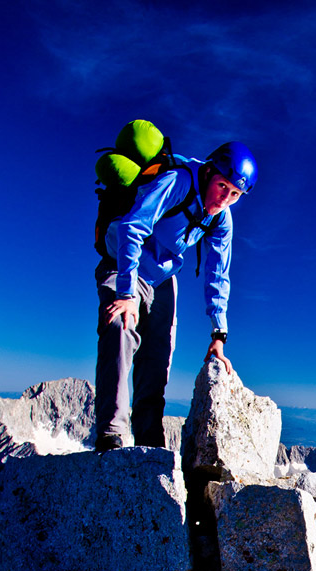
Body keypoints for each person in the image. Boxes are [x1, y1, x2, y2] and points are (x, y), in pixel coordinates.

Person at [94, 141, 258, 452]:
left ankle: (149, 443)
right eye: (222, 186)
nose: (225, 198)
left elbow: (218, 274)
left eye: (234, 194)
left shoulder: (221, 219)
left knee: (157, 358)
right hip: (124, 264)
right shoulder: (179, 181)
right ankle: (110, 436)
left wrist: (219, 333)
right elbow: (132, 227)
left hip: (163, 279)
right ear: (209, 172)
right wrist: (127, 293)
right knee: (120, 327)